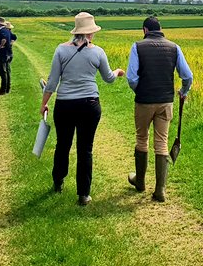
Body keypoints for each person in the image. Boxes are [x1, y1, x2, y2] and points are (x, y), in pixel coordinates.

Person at [40, 12, 125, 206]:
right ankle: (83, 194)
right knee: (85, 149)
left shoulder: (61, 50)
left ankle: (58, 181)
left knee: (63, 145)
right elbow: (108, 78)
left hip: (65, 104)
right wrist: (118, 72)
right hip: (89, 105)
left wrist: (44, 103)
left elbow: (52, 82)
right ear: (90, 33)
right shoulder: (98, 52)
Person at [126, 15, 193, 202]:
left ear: (145, 31)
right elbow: (187, 76)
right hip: (165, 102)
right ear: (160, 29)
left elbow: (131, 78)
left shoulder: (137, 47)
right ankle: (160, 190)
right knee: (162, 142)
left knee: (141, 139)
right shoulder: (174, 47)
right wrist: (183, 91)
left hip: (144, 101)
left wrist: (140, 90)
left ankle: (139, 182)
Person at [0, 17, 16, 95]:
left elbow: (4, 39)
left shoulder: (2, 30)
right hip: (8, 53)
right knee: (7, 71)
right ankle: (7, 88)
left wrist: (0, 45)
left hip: (3, 54)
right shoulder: (7, 30)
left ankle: (3, 90)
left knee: (3, 72)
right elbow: (13, 38)